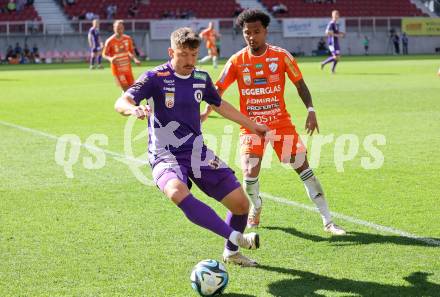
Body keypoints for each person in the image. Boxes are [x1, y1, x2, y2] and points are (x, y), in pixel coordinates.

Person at [114, 27, 268, 267]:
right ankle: (236, 237)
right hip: (165, 154)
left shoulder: (201, 78)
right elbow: (121, 101)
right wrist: (132, 109)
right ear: (170, 52)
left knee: (241, 204)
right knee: (176, 191)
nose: (189, 60)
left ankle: (231, 252)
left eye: (194, 55)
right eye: (183, 54)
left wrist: (252, 125)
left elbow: (219, 105)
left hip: (197, 152)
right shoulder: (155, 77)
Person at [201, 9, 346, 235]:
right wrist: (206, 111)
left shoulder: (281, 56)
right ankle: (256, 206)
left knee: (303, 168)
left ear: (265, 31)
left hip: (280, 124)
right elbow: (217, 89)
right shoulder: (237, 60)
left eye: (256, 31)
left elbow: (300, 84)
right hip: (251, 125)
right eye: (247, 32)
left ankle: (328, 221)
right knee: (249, 172)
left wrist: (310, 110)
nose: (252, 36)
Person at [103, 20, 141, 91]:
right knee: (126, 89)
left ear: (123, 28)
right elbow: (104, 54)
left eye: (121, 27)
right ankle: (128, 101)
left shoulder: (128, 39)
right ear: (114, 28)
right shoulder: (110, 41)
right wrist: (110, 59)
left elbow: (130, 52)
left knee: (132, 89)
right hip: (117, 69)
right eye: (117, 27)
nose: (119, 29)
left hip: (127, 68)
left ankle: (125, 101)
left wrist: (135, 59)